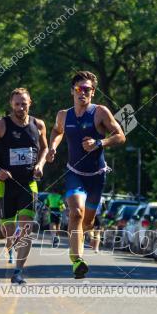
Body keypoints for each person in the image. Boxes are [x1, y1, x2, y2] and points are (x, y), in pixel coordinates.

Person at [46, 71, 126, 278]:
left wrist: (99, 143)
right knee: (76, 213)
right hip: (74, 172)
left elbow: (120, 136)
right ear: (72, 91)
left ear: (93, 92)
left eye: (87, 89)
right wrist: (52, 147)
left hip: (97, 175)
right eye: (79, 89)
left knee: (88, 222)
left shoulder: (100, 112)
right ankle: (77, 261)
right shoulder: (64, 115)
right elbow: (56, 131)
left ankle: (78, 238)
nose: (83, 93)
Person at [0, 87, 48, 284]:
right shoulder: (1, 125)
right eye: (17, 104)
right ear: (11, 104)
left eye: (24, 103)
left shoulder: (38, 124)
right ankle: (4, 230)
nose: (20, 107)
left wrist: (40, 164)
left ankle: (18, 271)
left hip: (29, 183)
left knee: (26, 228)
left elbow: (44, 148)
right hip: (5, 184)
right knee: (10, 233)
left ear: (30, 103)